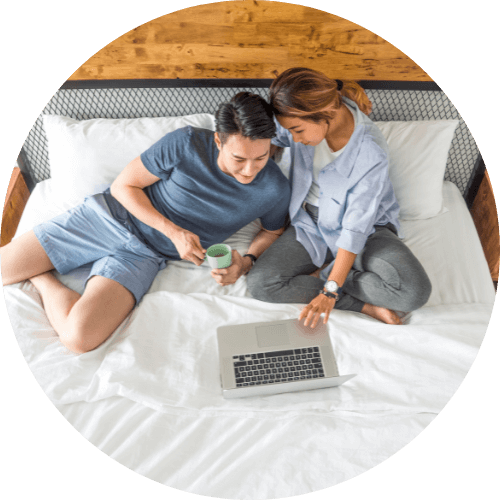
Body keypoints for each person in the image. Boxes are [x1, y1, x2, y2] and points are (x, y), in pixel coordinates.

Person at [1, 92, 291, 354]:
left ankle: (40, 276)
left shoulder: (274, 188)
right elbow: (123, 186)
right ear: (219, 140)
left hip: (145, 255)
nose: (250, 169)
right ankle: (37, 264)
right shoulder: (186, 142)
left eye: (261, 157)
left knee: (78, 339)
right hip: (107, 219)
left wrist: (248, 260)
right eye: (239, 158)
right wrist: (173, 232)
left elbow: (272, 230)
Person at [246, 67, 432, 328]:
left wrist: (330, 287)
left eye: (298, 130)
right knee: (260, 284)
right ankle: (362, 305)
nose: (294, 139)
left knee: (413, 292)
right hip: (310, 223)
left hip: (368, 231)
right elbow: (268, 136)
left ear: (326, 114)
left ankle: (331, 273)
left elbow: (356, 227)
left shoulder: (370, 152)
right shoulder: (299, 117)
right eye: (290, 131)